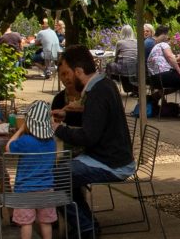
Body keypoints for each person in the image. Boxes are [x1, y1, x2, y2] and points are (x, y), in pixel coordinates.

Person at [54, 45, 133, 215]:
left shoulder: (97, 92)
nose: (65, 79)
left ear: (79, 71)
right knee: (59, 170)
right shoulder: (104, 84)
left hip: (111, 162)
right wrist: (67, 115)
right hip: (112, 157)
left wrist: (58, 129)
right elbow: (98, 119)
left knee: (56, 175)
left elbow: (88, 137)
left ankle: (84, 227)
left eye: (67, 73)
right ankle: (82, 224)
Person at [4, 112, 60, 239]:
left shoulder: (25, 141)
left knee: (26, 222)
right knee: (46, 221)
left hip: (25, 189)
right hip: (47, 188)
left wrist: (20, 130)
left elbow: (8, 147)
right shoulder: (51, 141)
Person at [146, 35, 180, 117]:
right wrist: (179, 71)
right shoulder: (163, 44)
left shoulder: (155, 48)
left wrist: (176, 58)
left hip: (154, 79)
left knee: (179, 82)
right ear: (166, 40)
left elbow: (170, 58)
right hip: (163, 76)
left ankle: (155, 96)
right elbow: (170, 57)